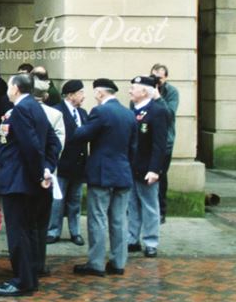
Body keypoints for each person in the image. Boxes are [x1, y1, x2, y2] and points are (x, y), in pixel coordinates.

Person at [0, 73, 56, 297]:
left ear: (16, 88)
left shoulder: (20, 110)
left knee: (18, 232)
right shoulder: (36, 107)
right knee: (28, 231)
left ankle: (23, 281)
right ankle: (28, 276)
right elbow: (51, 142)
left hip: (19, 182)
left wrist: (41, 173)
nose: (7, 91)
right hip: (29, 180)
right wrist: (47, 169)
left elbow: (31, 146)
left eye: (9, 86)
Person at [71, 79, 137, 277]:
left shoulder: (100, 112)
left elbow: (82, 134)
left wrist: (76, 125)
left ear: (100, 93)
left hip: (102, 173)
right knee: (119, 220)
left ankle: (96, 263)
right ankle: (118, 262)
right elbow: (133, 147)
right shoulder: (129, 114)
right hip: (123, 172)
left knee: (97, 218)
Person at [127, 76, 168, 258]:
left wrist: (154, 169)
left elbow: (160, 145)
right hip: (131, 167)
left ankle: (151, 241)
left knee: (150, 206)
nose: (130, 91)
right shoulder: (132, 110)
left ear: (144, 91)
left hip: (147, 168)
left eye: (133, 88)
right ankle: (132, 239)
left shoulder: (157, 111)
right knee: (132, 205)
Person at [48, 80, 89, 245]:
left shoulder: (83, 113)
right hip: (62, 164)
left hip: (79, 165)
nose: (83, 96)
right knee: (57, 200)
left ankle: (75, 231)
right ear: (71, 95)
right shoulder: (57, 111)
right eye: (80, 93)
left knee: (75, 200)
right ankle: (53, 231)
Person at [31, 76, 64, 277]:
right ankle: (38, 263)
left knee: (31, 223)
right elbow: (59, 144)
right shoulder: (55, 114)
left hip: (38, 174)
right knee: (40, 222)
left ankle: (29, 264)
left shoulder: (54, 114)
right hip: (46, 173)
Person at [151, 64, 179, 221]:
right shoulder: (144, 88)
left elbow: (169, 114)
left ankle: (161, 211)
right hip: (147, 140)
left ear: (166, 77)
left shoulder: (171, 92)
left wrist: (158, 98)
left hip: (165, 142)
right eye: (154, 77)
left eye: (160, 78)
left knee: (160, 175)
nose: (157, 81)